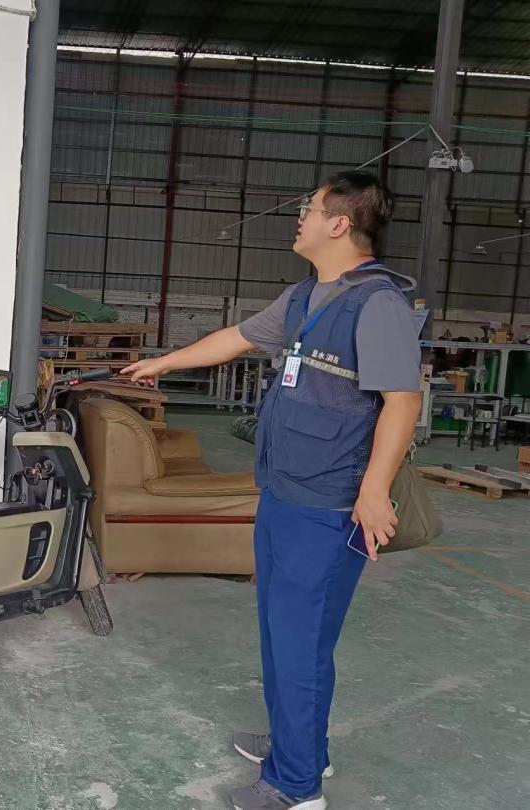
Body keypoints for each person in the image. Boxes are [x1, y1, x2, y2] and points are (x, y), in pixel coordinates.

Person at [122, 171, 423, 810]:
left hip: (331, 502)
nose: (299, 218)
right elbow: (237, 338)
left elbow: (402, 402)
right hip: (286, 488)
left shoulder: (379, 305)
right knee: (283, 634)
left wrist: (374, 492)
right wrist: (164, 362)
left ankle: (296, 787)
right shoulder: (305, 295)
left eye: (309, 209)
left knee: (300, 642)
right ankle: (299, 746)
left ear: (339, 223)